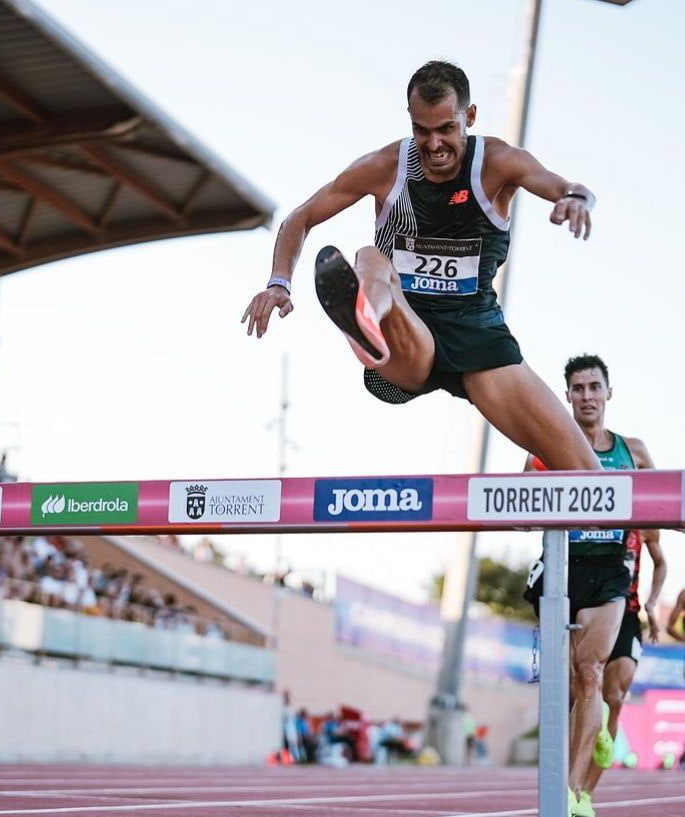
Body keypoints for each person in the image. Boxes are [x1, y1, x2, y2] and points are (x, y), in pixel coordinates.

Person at [241, 59, 600, 473]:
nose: (433, 145)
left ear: (469, 117)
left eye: (446, 129)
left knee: (591, 475)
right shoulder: (387, 167)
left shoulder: (498, 162)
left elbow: (569, 187)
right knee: (370, 258)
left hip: (477, 339)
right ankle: (365, 321)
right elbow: (299, 219)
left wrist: (574, 200)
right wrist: (279, 283)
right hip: (407, 337)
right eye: (421, 130)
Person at [526, 354, 665, 817]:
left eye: (594, 387)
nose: (587, 396)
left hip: (610, 570)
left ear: (609, 393)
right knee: (568, 689)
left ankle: (571, 794)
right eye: (578, 388)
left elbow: (660, 504)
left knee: (592, 675)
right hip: (563, 567)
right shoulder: (545, 445)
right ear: (566, 396)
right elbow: (520, 513)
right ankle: (594, 725)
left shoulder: (633, 450)